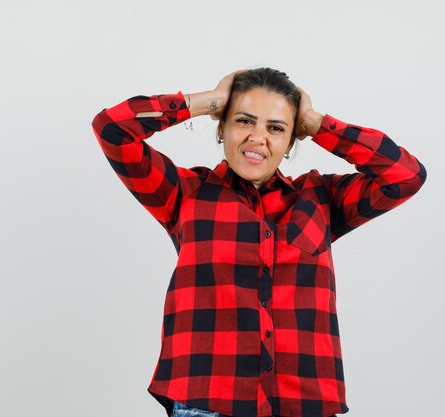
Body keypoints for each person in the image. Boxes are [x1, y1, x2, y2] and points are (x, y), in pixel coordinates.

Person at [91, 68, 427, 417]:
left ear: (290, 140)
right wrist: (208, 102)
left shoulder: (321, 198)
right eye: (243, 121)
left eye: (276, 128)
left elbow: (405, 175)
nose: (258, 137)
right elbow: (112, 129)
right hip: (207, 401)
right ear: (222, 128)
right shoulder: (183, 193)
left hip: (303, 405)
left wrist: (315, 123)